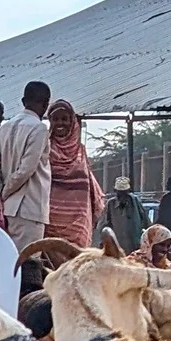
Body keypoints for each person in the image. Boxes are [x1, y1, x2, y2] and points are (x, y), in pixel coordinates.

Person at [0, 81, 52, 245]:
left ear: (23, 102)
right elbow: (26, 170)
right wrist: (5, 192)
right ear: (46, 104)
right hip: (30, 208)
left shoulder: (3, 128)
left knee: (8, 262)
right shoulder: (39, 128)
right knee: (28, 264)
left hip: (6, 209)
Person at [45, 99, 105, 248]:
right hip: (50, 219)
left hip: (78, 221)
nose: (60, 123)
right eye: (56, 119)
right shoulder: (44, 147)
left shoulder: (80, 150)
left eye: (64, 119)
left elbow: (88, 181)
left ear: (72, 121)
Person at [104, 176, 151, 248]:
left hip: (134, 245)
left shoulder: (135, 201)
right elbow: (104, 225)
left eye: (124, 192)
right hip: (117, 245)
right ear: (115, 191)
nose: (122, 195)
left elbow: (145, 221)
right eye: (119, 192)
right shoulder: (110, 204)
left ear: (128, 191)